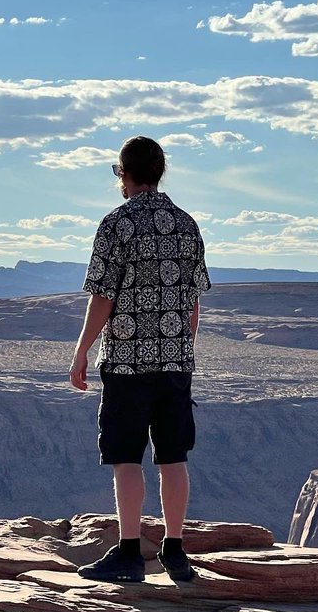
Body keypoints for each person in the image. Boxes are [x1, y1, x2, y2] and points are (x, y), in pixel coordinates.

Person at [69, 135, 212, 583]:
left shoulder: (117, 224)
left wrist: (81, 352)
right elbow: (192, 302)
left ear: (123, 173)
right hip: (175, 363)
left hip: (129, 363)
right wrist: (180, 348)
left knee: (126, 456)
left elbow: (102, 298)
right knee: (173, 457)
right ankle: (175, 549)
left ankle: (129, 551)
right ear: (160, 171)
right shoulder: (186, 225)